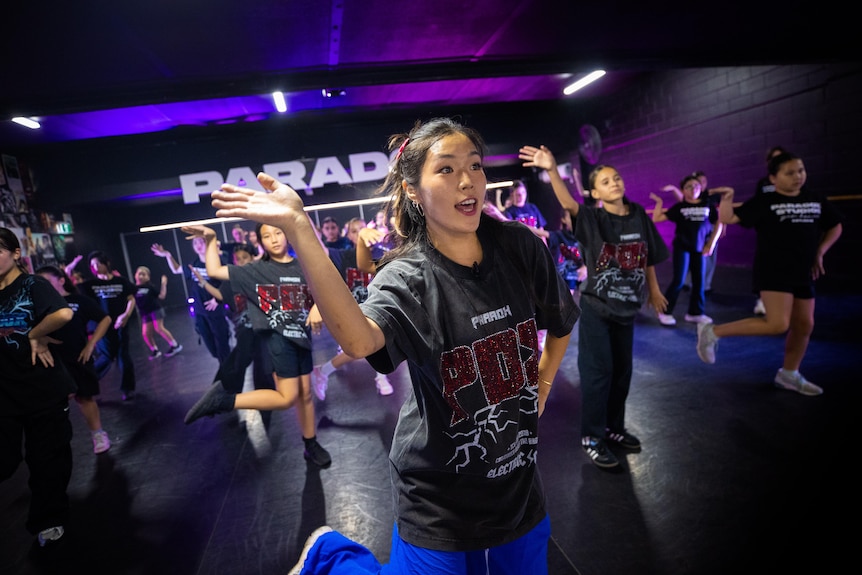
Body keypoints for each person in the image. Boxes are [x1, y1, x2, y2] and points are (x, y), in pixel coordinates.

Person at [209, 117, 578, 574]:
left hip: (518, 489)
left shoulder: (519, 247)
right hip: (437, 498)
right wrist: (300, 228)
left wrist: (542, 385)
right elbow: (358, 340)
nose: (467, 180)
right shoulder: (406, 277)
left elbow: (560, 321)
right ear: (412, 191)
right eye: (446, 169)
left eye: (475, 165)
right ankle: (332, 557)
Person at [519, 144, 669, 469]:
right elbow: (569, 203)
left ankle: (614, 428)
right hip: (597, 309)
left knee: (622, 373)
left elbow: (648, 257)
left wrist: (655, 291)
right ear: (596, 192)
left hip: (627, 309)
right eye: (605, 181)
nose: (614, 183)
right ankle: (592, 436)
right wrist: (551, 169)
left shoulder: (639, 215)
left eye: (616, 178)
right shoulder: (592, 218)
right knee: (598, 374)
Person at [181, 222, 332, 468]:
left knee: (305, 394)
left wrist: (316, 306)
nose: (274, 239)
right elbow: (215, 270)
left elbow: (322, 288)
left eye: (278, 232)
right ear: (260, 242)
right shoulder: (254, 271)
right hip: (278, 340)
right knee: (288, 398)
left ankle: (310, 443)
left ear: (287, 235)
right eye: (267, 236)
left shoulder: (303, 265)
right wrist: (210, 238)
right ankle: (225, 400)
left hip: (303, 339)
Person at [696, 151, 843, 396]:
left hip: (803, 270)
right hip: (774, 270)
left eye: (800, 171)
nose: (797, 176)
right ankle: (712, 332)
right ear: (773, 178)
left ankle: (789, 374)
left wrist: (820, 251)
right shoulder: (765, 201)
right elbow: (729, 218)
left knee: (804, 325)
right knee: (777, 324)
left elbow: (835, 225)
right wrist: (728, 197)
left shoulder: (814, 198)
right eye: (790, 173)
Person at [0, 228, 76, 550]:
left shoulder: (33, 285)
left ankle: (48, 519)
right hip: (4, 392)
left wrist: (35, 333)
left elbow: (63, 312)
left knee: (46, 460)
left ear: (16, 253)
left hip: (42, 389)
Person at [36, 264, 113, 454]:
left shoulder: (78, 300)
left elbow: (105, 319)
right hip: (52, 360)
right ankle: (55, 441)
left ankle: (98, 434)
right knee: (54, 402)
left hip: (78, 357)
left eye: (47, 282)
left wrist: (91, 344)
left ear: (61, 280)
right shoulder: (39, 305)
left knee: (84, 397)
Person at [311, 226, 394, 399]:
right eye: (355, 231)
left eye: (365, 229)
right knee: (360, 348)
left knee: (381, 342)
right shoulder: (344, 256)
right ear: (349, 235)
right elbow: (319, 251)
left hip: (374, 311)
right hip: (352, 313)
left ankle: (381, 377)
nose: (362, 234)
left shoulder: (382, 256)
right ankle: (324, 370)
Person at [192, 244, 272, 394]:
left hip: (263, 331)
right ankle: (223, 394)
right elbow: (220, 294)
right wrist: (203, 282)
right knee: (236, 364)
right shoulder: (231, 280)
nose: (241, 261)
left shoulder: (261, 275)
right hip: (244, 330)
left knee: (262, 369)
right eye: (237, 259)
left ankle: (265, 398)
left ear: (252, 258)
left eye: (244, 258)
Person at [650, 174, 723, 326]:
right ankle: (665, 312)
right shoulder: (680, 207)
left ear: (700, 188)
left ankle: (695, 313)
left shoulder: (707, 205)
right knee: (679, 281)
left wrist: (711, 244)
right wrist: (659, 202)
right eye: (689, 186)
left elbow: (719, 223)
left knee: (699, 281)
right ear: (683, 190)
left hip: (700, 249)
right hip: (682, 248)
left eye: (696, 185)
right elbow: (657, 218)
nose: (693, 189)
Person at [151, 238, 232, 364]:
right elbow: (176, 269)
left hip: (215, 311)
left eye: (201, 242)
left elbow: (228, 282)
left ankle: (228, 370)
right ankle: (227, 365)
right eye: (195, 243)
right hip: (200, 312)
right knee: (212, 348)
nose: (198, 245)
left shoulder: (218, 262)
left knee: (223, 348)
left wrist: (217, 299)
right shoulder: (193, 264)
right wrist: (167, 255)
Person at [78, 250, 138, 400]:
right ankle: (87, 385)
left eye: (98, 264)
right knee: (106, 356)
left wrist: (126, 315)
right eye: (92, 265)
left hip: (120, 325)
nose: (95, 267)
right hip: (102, 327)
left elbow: (131, 299)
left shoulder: (121, 281)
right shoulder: (90, 285)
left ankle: (128, 389)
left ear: (107, 263)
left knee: (124, 356)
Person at [752, 146, 788, 315]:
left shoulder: (793, 181)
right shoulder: (763, 183)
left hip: (788, 231)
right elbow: (757, 205)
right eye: (774, 159)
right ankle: (762, 299)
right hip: (768, 231)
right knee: (765, 265)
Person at [133, 265, 183, 359]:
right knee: (145, 333)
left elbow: (161, 296)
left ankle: (175, 345)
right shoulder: (133, 288)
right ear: (135, 275)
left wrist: (163, 284)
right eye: (139, 274)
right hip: (144, 313)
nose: (141, 276)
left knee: (159, 328)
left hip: (155, 310)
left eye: (143, 274)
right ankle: (155, 350)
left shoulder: (150, 287)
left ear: (148, 277)